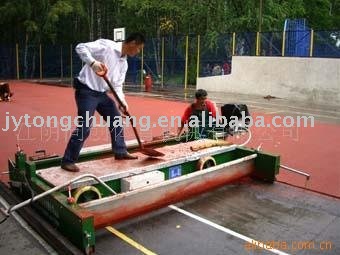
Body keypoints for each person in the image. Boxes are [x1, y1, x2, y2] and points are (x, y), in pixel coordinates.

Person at [61, 32, 145, 172]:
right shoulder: (107, 46)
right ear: (132, 44)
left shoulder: (124, 64)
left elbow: (117, 86)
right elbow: (80, 47)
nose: (138, 52)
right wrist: (92, 63)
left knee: (116, 119)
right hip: (86, 91)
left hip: (101, 93)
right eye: (139, 48)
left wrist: (122, 102)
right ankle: (68, 160)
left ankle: (120, 151)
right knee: (85, 126)